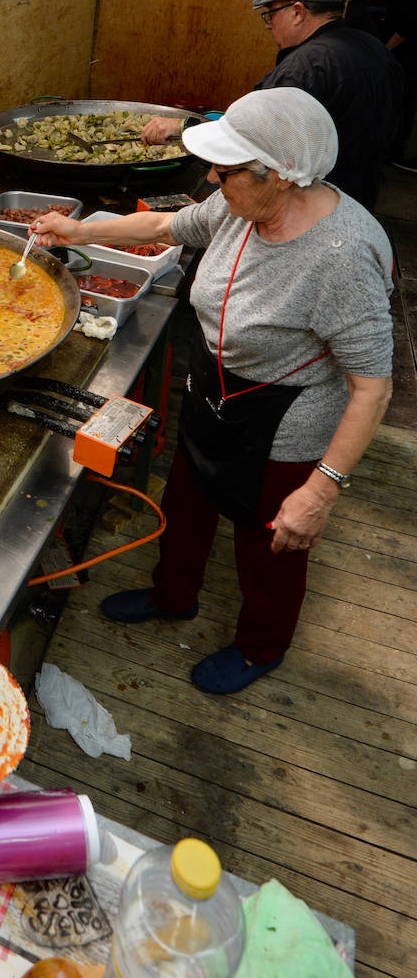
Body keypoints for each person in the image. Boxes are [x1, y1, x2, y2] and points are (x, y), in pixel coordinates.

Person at [30, 88, 393, 696]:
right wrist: (77, 228)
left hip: (287, 416)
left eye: (224, 172)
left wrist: (321, 488)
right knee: (189, 501)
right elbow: (164, 223)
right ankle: (173, 595)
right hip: (214, 385)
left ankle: (261, 646)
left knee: (270, 541)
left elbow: (372, 389)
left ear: (278, 175)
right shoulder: (240, 204)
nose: (211, 179)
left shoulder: (342, 255)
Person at [140, 0, 404, 212]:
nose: (268, 26)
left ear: (297, 12)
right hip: (358, 200)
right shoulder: (375, 49)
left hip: (306, 209)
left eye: (270, 15)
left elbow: (249, 142)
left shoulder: (303, 68)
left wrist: (182, 126)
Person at [383, 0, 417, 171]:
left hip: (409, 59)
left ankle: (403, 155)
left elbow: (407, 28)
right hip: (406, 58)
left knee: (405, 105)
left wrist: (383, 51)